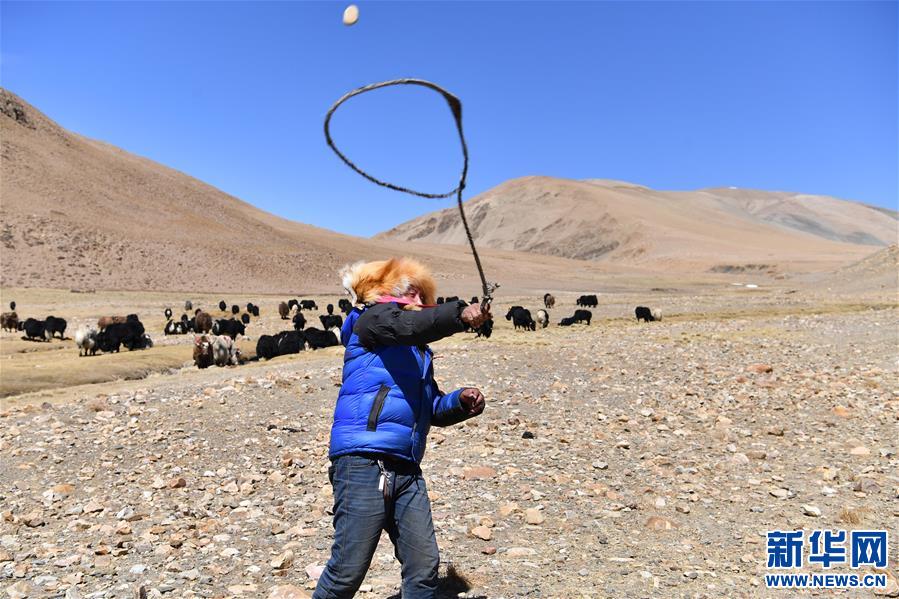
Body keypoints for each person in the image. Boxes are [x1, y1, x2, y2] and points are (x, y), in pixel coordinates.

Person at [313, 257, 492, 599]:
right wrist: (457, 314)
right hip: (363, 461)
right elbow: (408, 325)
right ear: (386, 293)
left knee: (424, 567)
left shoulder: (417, 352)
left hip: (406, 467)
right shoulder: (371, 322)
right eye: (409, 291)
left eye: (420, 294)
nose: (417, 299)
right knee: (346, 571)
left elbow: (429, 406)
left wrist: (459, 402)